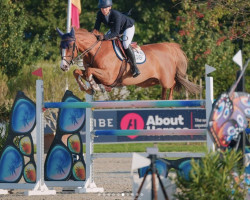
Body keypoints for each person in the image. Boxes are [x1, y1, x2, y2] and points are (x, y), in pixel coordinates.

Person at [93, 0, 140, 78]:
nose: (103, 10)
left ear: (110, 7)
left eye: (105, 8)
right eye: (102, 8)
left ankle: (135, 67)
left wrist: (104, 37)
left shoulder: (116, 14)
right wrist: (92, 35)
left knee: (125, 44)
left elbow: (116, 33)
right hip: (115, 29)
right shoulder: (99, 14)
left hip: (127, 27)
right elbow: (96, 29)